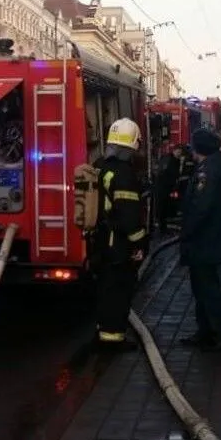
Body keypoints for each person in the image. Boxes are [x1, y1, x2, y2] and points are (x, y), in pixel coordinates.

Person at [90, 118, 149, 352]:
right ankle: (113, 339)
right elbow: (128, 216)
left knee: (105, 288)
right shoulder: (124, 173)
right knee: (118, 290)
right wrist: (140, 243)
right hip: (118, 243)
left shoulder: (100, 164)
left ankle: (103, 330)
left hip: (101, 240)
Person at [179, 128, 221, 351]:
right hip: (209, 238)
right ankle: (205, 330)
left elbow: (201, 207)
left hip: (205, 240)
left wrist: (186, 232)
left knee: (208, 288)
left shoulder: (207, 171)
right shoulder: (215, 165)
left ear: (199, 148)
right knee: (201, 287)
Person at [156, 144, 183, 233]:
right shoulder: (169, 160)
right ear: (174, 151)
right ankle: (162, 228)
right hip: (163, 187)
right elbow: (163, 173)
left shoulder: (175, 160)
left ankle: (163, 227)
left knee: (164, 208)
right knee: (162, 208)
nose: (179, 154)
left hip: (167, 187)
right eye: (178, 151)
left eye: (180, 152)